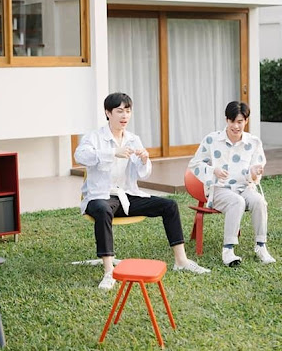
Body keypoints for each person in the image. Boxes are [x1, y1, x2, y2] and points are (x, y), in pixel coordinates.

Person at [75, 93, 210, 290]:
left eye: (128, 111)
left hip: (127, 196)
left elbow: (143, 173)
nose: (124, 116)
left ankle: (181, 260)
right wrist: (112, 152)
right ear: (108, 113)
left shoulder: (133, 139)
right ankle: (109, 272)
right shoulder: (94, 137)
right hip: (100, 197)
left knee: (169, 205)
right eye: (119, 111)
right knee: (103, 209)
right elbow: (80, 156)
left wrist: (145, 160)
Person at [188, 101, 275, 267]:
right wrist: (213, 170)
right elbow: (195, 164)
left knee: (259, 201)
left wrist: (254, 172)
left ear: (246, 121)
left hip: (245, 187)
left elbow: (255, 171)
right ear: (226, 120)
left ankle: (261, 246)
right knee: (237, 201)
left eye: (240, 121)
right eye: (232, 121)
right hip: (219, 189)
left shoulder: (254, 142)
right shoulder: (212, 140)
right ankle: (228, 251)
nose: (236, 126)